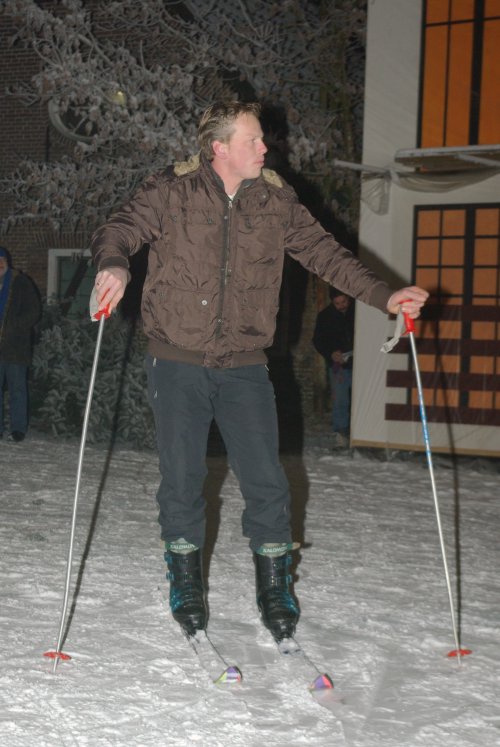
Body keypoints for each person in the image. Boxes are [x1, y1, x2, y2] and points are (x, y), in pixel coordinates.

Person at [90, 100, 428, 641]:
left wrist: (386, 296)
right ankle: (185, 586)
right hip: (177, 360)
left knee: (267, 481)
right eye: (253, 140)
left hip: (246, 364)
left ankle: (274, 588)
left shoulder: (275, 200)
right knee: (182, 479)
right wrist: (113, 265)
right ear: (219, 148)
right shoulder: (170, 191)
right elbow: (120, 230)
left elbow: (326, 254)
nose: (266, 148)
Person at [0, 246, 41, 443]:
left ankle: (18, 429)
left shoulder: (21, 282)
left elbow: (34, 311)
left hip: (16, 347)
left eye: (1, 260)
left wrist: (14, 326)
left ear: (7, 262)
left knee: (17, 388)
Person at [313, 288, 355, 449]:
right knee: (340, 400)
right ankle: (340, 434)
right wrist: (331, 353)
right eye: (337, 303)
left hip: (359, 364)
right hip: (339, 366)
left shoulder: (357, 313)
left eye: (344, 302)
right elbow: (318, 341)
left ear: (349, 299)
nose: (341, 306)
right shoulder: (325, 316)